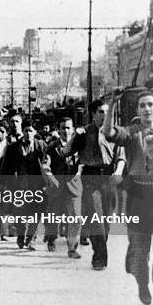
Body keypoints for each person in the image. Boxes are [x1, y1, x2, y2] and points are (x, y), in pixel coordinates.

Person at [103, 89, 153, 305]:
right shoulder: (131, 134)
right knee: (139, 252)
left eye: (150, 104)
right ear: (137, 110)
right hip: (139, 197)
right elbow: (109, 132)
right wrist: (111, 106)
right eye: (142, 105)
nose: (146, 109)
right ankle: (142, 283)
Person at [58, 99, 125, 270]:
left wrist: (118, 172)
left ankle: (100, 251)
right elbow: (65, 152)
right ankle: (99, 258)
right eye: (101, 112)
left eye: (107, 112)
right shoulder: (83, 133)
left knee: (107, 222)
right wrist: (74, 136)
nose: (105, 115)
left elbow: (121, 158)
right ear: (93, 114)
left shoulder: (115, 133)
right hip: (90, 179)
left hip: (109, 179)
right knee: (96, 219)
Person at [0, 121, 47, 250]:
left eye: (30, 130)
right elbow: (5, 167)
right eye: (25, 130)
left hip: (37, 185)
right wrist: (3, 185)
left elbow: (47, 164)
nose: (28, 133)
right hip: (18, 186)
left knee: (35, 213)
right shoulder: (12, 147)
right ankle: (21, 234)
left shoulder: (42, 146)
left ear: (35, 132)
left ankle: (31, 239)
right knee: (19, 213)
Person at [41, 117, 83, 258]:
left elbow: (83, 163)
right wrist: (51, 180)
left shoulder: (79, 146)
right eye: (63, 127)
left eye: (68, 127)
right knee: (54, 218)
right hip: (57, 188)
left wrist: (80, 172)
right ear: (58, 130)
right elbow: (46, 165)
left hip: (74, 187)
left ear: (72, 129)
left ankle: (72, 248)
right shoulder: (52, 147)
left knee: (76, 217)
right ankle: (51, 239)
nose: (65, 130)